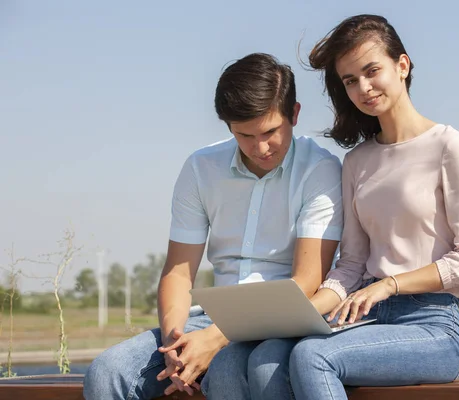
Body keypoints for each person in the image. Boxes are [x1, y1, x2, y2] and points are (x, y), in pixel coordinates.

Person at [83, 53, 343, 400]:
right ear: (228, 127)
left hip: (282, 322)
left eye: (269, 132)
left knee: (227, 372)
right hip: (209, 318)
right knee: (106, 374)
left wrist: (217, 338)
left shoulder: (321, 170)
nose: (260, 147)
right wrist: (176, 343)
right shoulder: (201, 168)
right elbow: (178, 272)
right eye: (244, 135)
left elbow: (306, 283)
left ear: (294, 114)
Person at [288, 14, 459, 399]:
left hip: (432, 326)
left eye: (371, 71)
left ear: (402, 65)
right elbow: (350, 266)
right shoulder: (357, 162)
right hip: (362, 319)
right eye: (350, 80)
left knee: (313, 357)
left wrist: (389, 285)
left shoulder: (449, 145)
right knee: (271, 353)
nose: (363, 87)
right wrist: (300, 314)